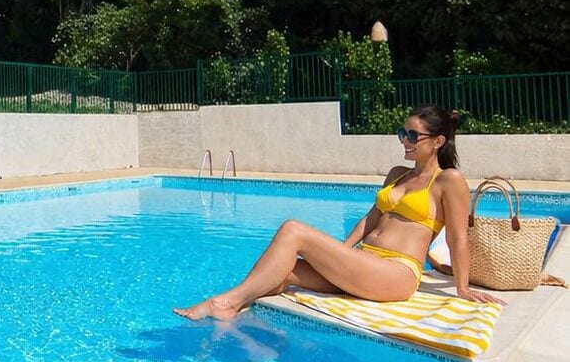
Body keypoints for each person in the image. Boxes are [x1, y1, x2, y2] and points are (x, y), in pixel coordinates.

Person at [174, 104, 504, 321]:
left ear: (438, 141)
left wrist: (462, 288)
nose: (405, 140)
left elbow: (458, 237)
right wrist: (340, 254)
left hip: (396, 274)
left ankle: (222, 303)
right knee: (284, 271)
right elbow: (371, 220)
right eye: (403, 133)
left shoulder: (448, 180)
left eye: (413, 135)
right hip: (367, 263)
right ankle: (237, 309)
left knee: (293, 230)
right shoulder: (397, 174)